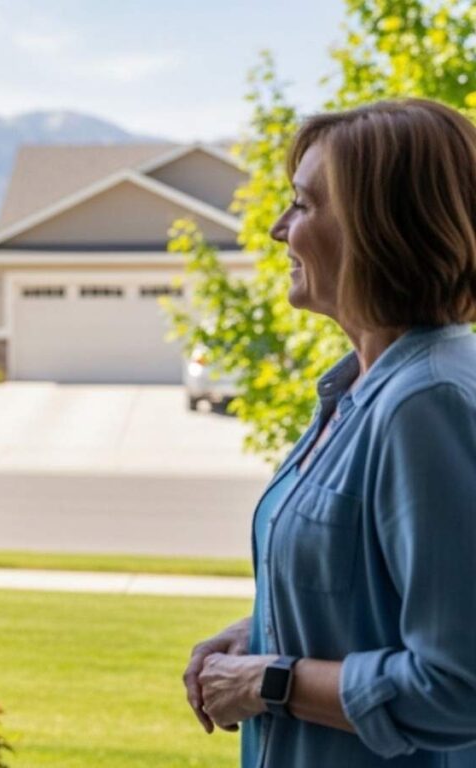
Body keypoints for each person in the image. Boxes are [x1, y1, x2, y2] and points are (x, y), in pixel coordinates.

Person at [182, 98, 476, 766]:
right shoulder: (356, 392)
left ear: (383, 227)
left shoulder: (429, 403)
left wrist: (269, 679)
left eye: (305, 205)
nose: (280, 228)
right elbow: (368, 601)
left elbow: (460, 686)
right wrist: (260, 636)